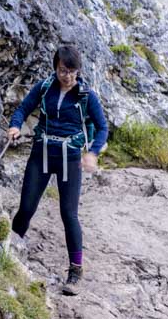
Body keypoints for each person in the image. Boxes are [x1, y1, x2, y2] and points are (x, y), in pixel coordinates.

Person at [6, 45, 108, 295]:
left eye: (73, 72)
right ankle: (6, 252)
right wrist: (15, 126)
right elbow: (22, 109)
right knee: (27, 208)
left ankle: (75, 271)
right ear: (55, 68)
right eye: (63, 71)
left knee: (68, 213)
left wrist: (92, 153)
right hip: (41, 154)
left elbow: (102, 127)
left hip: (69, 158)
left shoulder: (86, 96)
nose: (68, 77)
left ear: (78, 71)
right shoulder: (44, 87)